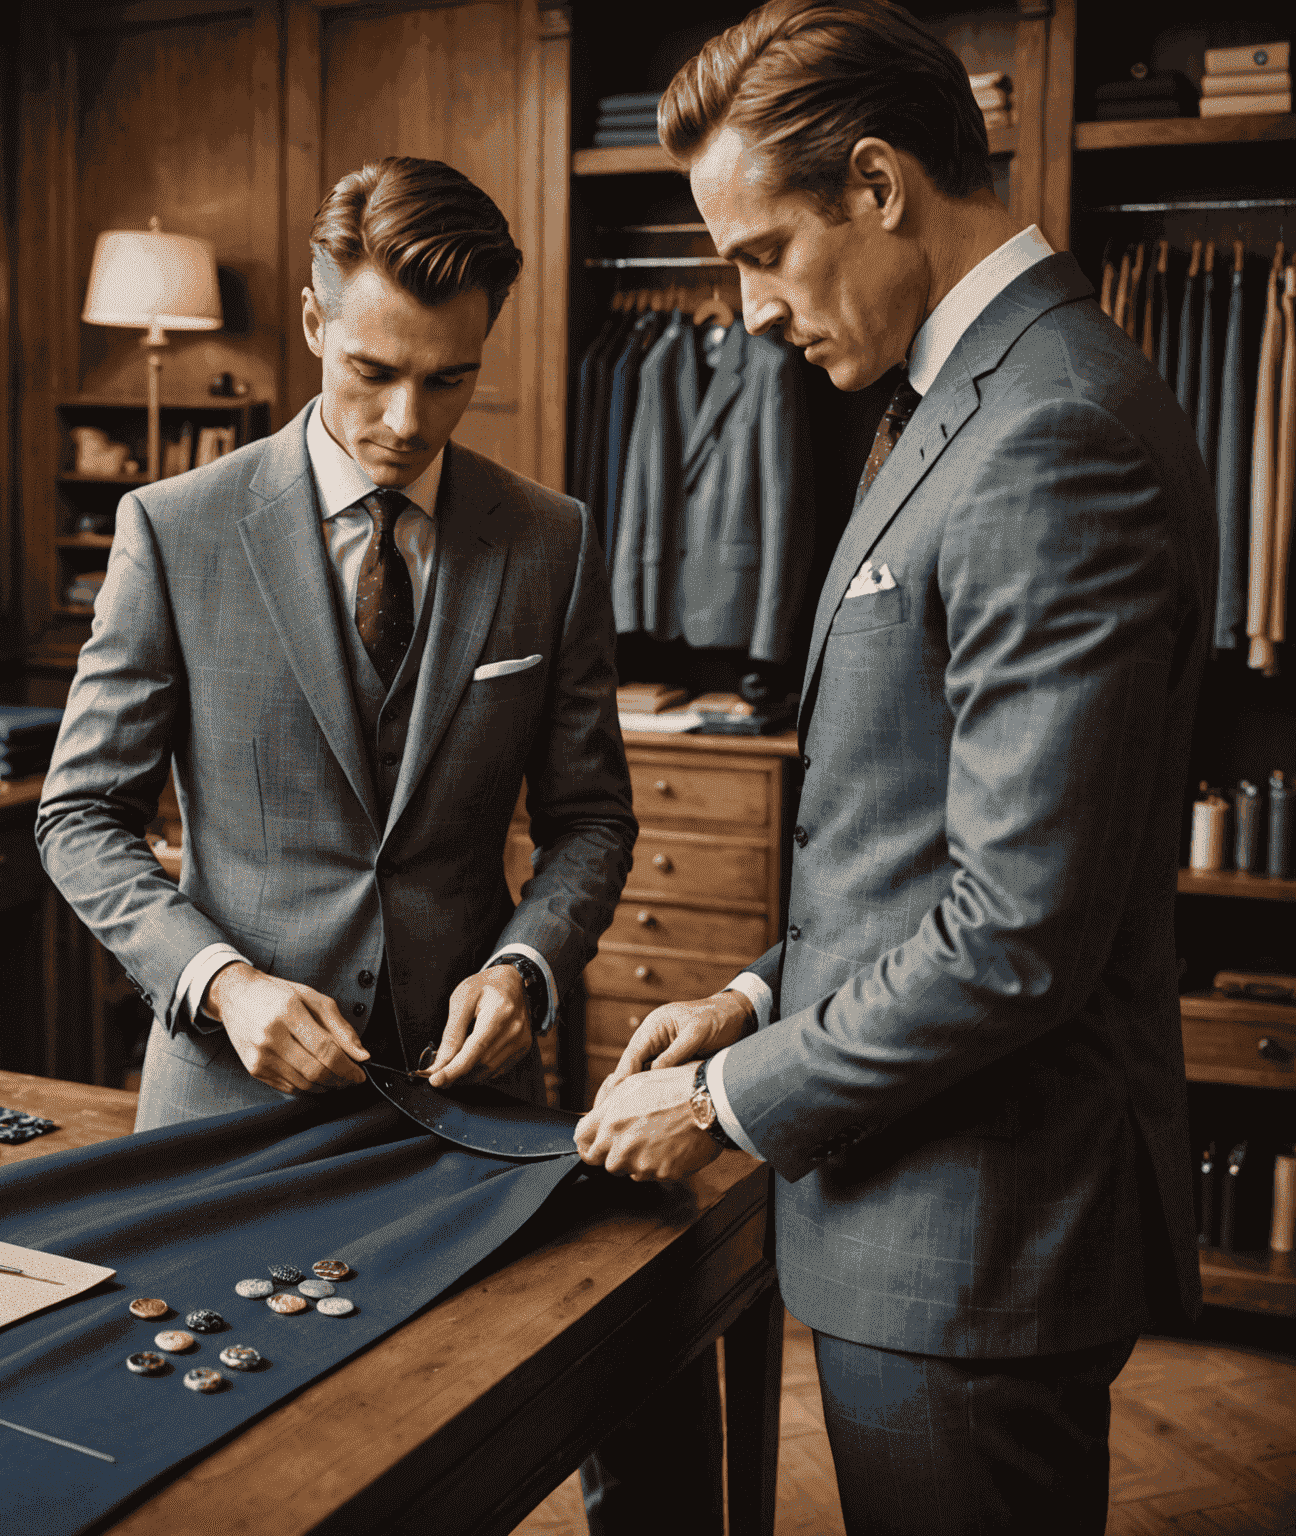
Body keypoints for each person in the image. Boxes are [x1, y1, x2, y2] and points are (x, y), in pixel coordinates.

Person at [575, 4, 1214, 1532]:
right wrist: (750, 991)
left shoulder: (1050, 425)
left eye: (759, 252)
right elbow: (920, 836)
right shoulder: (960, 393)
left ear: (876, 185)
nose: (742, 313)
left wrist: (727, 1096)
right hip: (932, 1212)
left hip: (979, 1235)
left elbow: (1014, 936)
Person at [37, 156, 636, 1132]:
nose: (407, 421)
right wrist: (225, 985)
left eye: (450, 379)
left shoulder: (550, 541)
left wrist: (527, 967)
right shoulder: (172, 528)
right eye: (373, 371)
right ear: (318, 325)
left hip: (470, 1103)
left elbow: (594, 820)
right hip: (226, 1100)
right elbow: (80, 817)